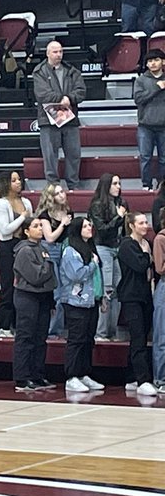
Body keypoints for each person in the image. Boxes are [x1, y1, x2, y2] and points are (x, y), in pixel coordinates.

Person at [58, 216, 105, 393]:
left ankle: (84, 373)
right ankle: (72, 376)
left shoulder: (91, 247)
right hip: (75, 301)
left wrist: (101, 297)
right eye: (85, 226)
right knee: (76, 339)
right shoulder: (70, 250)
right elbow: (76, 274)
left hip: (91, 300)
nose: (89, 228)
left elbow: (97, 277)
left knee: (87, 339)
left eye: (90, 225)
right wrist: (93, 264)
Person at [10, 218, 56, 392]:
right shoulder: (24, 251)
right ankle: (22, 378)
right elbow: (36, 276)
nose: (39, 229)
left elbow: (51, 279)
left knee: (40, 338)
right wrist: (48, 266)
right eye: (35, 226)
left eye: (40, 226)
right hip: (27, 296)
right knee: (26, 337)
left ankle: (37, 374)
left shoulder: (43, 248)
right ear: (26, 231)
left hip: (42, 297)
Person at [33, 40, 86, 190]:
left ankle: (73, 185)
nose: (58, 55)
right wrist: (61, 99)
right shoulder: (39, 71)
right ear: (48, 53)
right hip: (48, 120)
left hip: (70, 119)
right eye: (55, 52)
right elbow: (42, 94)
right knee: (50, 155)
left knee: (74, 154)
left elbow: (81, 91)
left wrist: (70, 98)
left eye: (61, 51)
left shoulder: (72, 71)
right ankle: (53, 186)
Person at [117, 212, 156, 396]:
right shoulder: (126, 245)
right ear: (132, 225)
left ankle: (131, 377)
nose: (145, 226)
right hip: (131, 296)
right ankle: (142, 379)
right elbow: (140, 265)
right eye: (141, 223)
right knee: (138, 337)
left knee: (141, 337)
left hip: (145, 296)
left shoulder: (146, 243)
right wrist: (148, 257)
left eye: (146, 222)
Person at [0, 170, 33, 337]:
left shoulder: (27, 202)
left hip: (23, 246)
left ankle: (19, 325)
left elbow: (31, 225)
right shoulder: (1, 203)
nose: (18, 182)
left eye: (19, 179)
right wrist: (22, 217)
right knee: (8, 287)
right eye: (14, 180)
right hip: (7, 247)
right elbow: (5, 229)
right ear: (6, 183)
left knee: (23, 288)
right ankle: (3, 326)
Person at [88, 173, 127, 341]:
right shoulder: (97, 205)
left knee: (118, 289)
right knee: (107, 289)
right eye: (115, 183)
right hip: (103, 247)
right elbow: (102, 230)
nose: (118, 186)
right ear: (106, 186)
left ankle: (112, 331)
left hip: (118, 248)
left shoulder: (122, 203)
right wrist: (118, 217)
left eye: (119, 183)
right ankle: (101, 332)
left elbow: (125, 227)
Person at [36, 181, 73, 339]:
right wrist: (63, 225)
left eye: (62, 192)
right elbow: (49, 237)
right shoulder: (45, 215)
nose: (62, 195)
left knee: (66, 292)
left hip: (65, 251)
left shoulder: (68, 211)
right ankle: (51, 331)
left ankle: (59, 329)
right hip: (50, 252)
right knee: (56, 293)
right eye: (57, 193)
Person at [134, 49, 165, 190]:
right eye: (150, 61)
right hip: (145, 126)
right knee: (145, 157)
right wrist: (157, 88)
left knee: (164, 159)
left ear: (163, 62)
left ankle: (162, 185)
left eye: (156, 60)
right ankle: (146, 184)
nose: (152, 63)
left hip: (163, 126)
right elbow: (138, 99)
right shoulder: (141, 80)